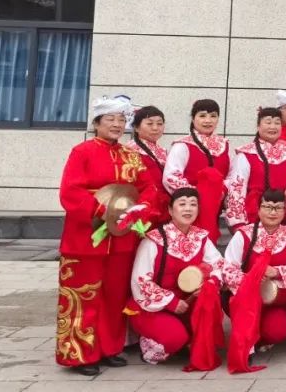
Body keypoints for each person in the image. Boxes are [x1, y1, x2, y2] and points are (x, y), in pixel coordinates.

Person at [56, 96, 158, 375]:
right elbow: (70, 191)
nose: (116, 124)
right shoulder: (82, 152)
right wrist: (103, 210)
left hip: (122, 237)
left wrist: (140, 210)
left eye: (121, 120)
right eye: (110, 119)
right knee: (83, 296)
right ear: (97, 123)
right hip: (86, 237)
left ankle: (109, 348)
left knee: (114, 297)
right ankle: (80, 354)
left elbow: (148, 188)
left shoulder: (131, 155)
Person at [129, 187, 225, 365]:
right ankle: (150, 345)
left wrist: (210, 283)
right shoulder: (154, 240)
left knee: (210, 307)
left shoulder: (201, 237)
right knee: (175, 338)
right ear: (170, 210)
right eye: (182, 204)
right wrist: (171, 302)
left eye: (193, 204)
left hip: (187, 304)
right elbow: (140, 281)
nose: (188, 209)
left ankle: (186, 339)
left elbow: (219, 265)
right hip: (153, 307)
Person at [223, 189, 286, 352]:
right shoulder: (243, 234)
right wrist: (251, 279)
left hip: (274, 299)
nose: (273, 212)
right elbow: (227, 268)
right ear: (259, 209)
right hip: (246, 298)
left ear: (285, 210)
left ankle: (261, 338)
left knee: (277, 332)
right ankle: (248, 336)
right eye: (268, 207)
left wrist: (276, 272)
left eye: (278, 208)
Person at [223, 107, 286, 231]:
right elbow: (237, 188)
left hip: (285, 211)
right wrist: (238, 223)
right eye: (268, 122)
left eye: (277, 123)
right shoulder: (246, 153)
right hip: (256, 211)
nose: (273, 126)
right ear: (258, 126)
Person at [163, 99, 231, 240]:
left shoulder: (224, 145)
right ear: (193, 118)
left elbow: (230, 175)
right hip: (188, 208)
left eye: (213, 116)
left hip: (215, 207)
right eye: (202, 115)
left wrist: (221, 191)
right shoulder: (182, 145)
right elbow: (171, 177)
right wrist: (197, 196)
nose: (208, 120)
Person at [127, 105, 171, 224]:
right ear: (136, 127)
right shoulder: (129, 150)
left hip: (165, 205)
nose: (155, 128)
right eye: (150, 123)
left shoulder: (163, 151)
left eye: (159, 124)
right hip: (143, 204)